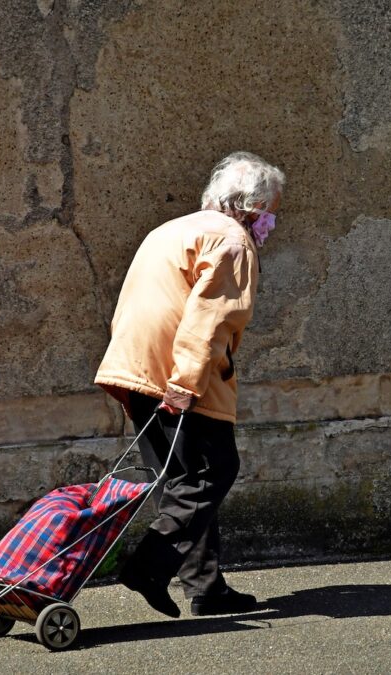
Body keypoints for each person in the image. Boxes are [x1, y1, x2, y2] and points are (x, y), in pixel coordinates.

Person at [94, 151, 285, 617]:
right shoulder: (233, 240)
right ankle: (148, 566)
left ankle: (206, 588)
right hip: (177, 372)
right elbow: (211, 320)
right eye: (272, 211)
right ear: (251, 208)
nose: (272, 222)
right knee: (211, 472)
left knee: (181, 480)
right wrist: (185, 384)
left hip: (136, 367)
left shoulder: (172, 229)